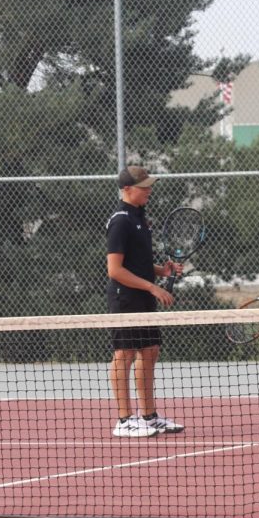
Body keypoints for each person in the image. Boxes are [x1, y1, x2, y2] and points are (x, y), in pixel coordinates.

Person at [105, 165, 185, 438]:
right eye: (144, 186)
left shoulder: (140, 219)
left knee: (150, 351)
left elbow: (137, 264)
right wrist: (153, 287)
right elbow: (115, 270)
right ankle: (124, 419)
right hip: (125, 298)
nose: (149, 190)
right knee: (124, 355)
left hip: (142, 296)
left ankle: (149, 416)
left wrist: (162, 271)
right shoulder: (120, 221)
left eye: (150, 185)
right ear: (127, 189)